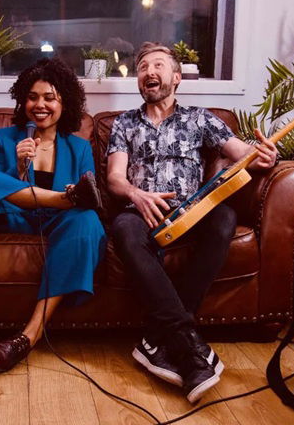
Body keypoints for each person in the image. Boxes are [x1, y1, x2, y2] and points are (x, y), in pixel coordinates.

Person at [106, 42, 278, 403]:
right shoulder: (123, 123)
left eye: (158, 65)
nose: (149, 72)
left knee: (225, 216)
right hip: (141, 211)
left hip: (192, 211)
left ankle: (159, 338)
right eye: (142, 67)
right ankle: (186, 344)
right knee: (123, 229)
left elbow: (245, 155)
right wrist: (137, 194)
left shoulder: (200, 118)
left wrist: (265, 156)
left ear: (176, 77)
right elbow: (115, 179)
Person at [0, 58, 106, 373]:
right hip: (14, 216)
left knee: (87, 219)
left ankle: (28, 336)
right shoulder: (5, 138)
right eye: (33, 97)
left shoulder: (79, 147)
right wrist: (19, 169)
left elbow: (89, 196)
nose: (40, 105)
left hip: (58, 222)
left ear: (64, 103)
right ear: (23, 101)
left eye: (49, 98)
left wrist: (74, 194)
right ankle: (60, 199)